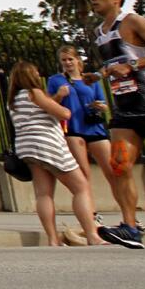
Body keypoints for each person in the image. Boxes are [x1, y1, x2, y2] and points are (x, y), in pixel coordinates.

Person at [88, 0, 145, 250]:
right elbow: (116, 64)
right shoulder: (99, 32)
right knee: (119, 166)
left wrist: (134, 66)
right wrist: (98, 75)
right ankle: (130, 227)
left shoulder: (133, 21)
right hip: (124, 110)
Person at [8, 62, 107, 246]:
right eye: (36, 72)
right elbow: (63, 114)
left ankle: (53, 239)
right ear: (31, 76)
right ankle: (92, 235)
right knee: (81, 187)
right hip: (48, 144)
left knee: (44, 194)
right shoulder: (34, 93)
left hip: (27, 147)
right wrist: (62, 100)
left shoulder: (13, 99)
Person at [46, 45, 112, 223]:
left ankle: (128, 213)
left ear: (78, 60)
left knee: (113, 169)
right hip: (73, 129)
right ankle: (91, 212)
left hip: (94, 127)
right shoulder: (55, 80)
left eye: (70, 59)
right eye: (64, 60)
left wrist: (100, 106)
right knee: (84, 173)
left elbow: (104, 104)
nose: (67, 63)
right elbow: (48, 105)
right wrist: (59, 96)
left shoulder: (90, 79)